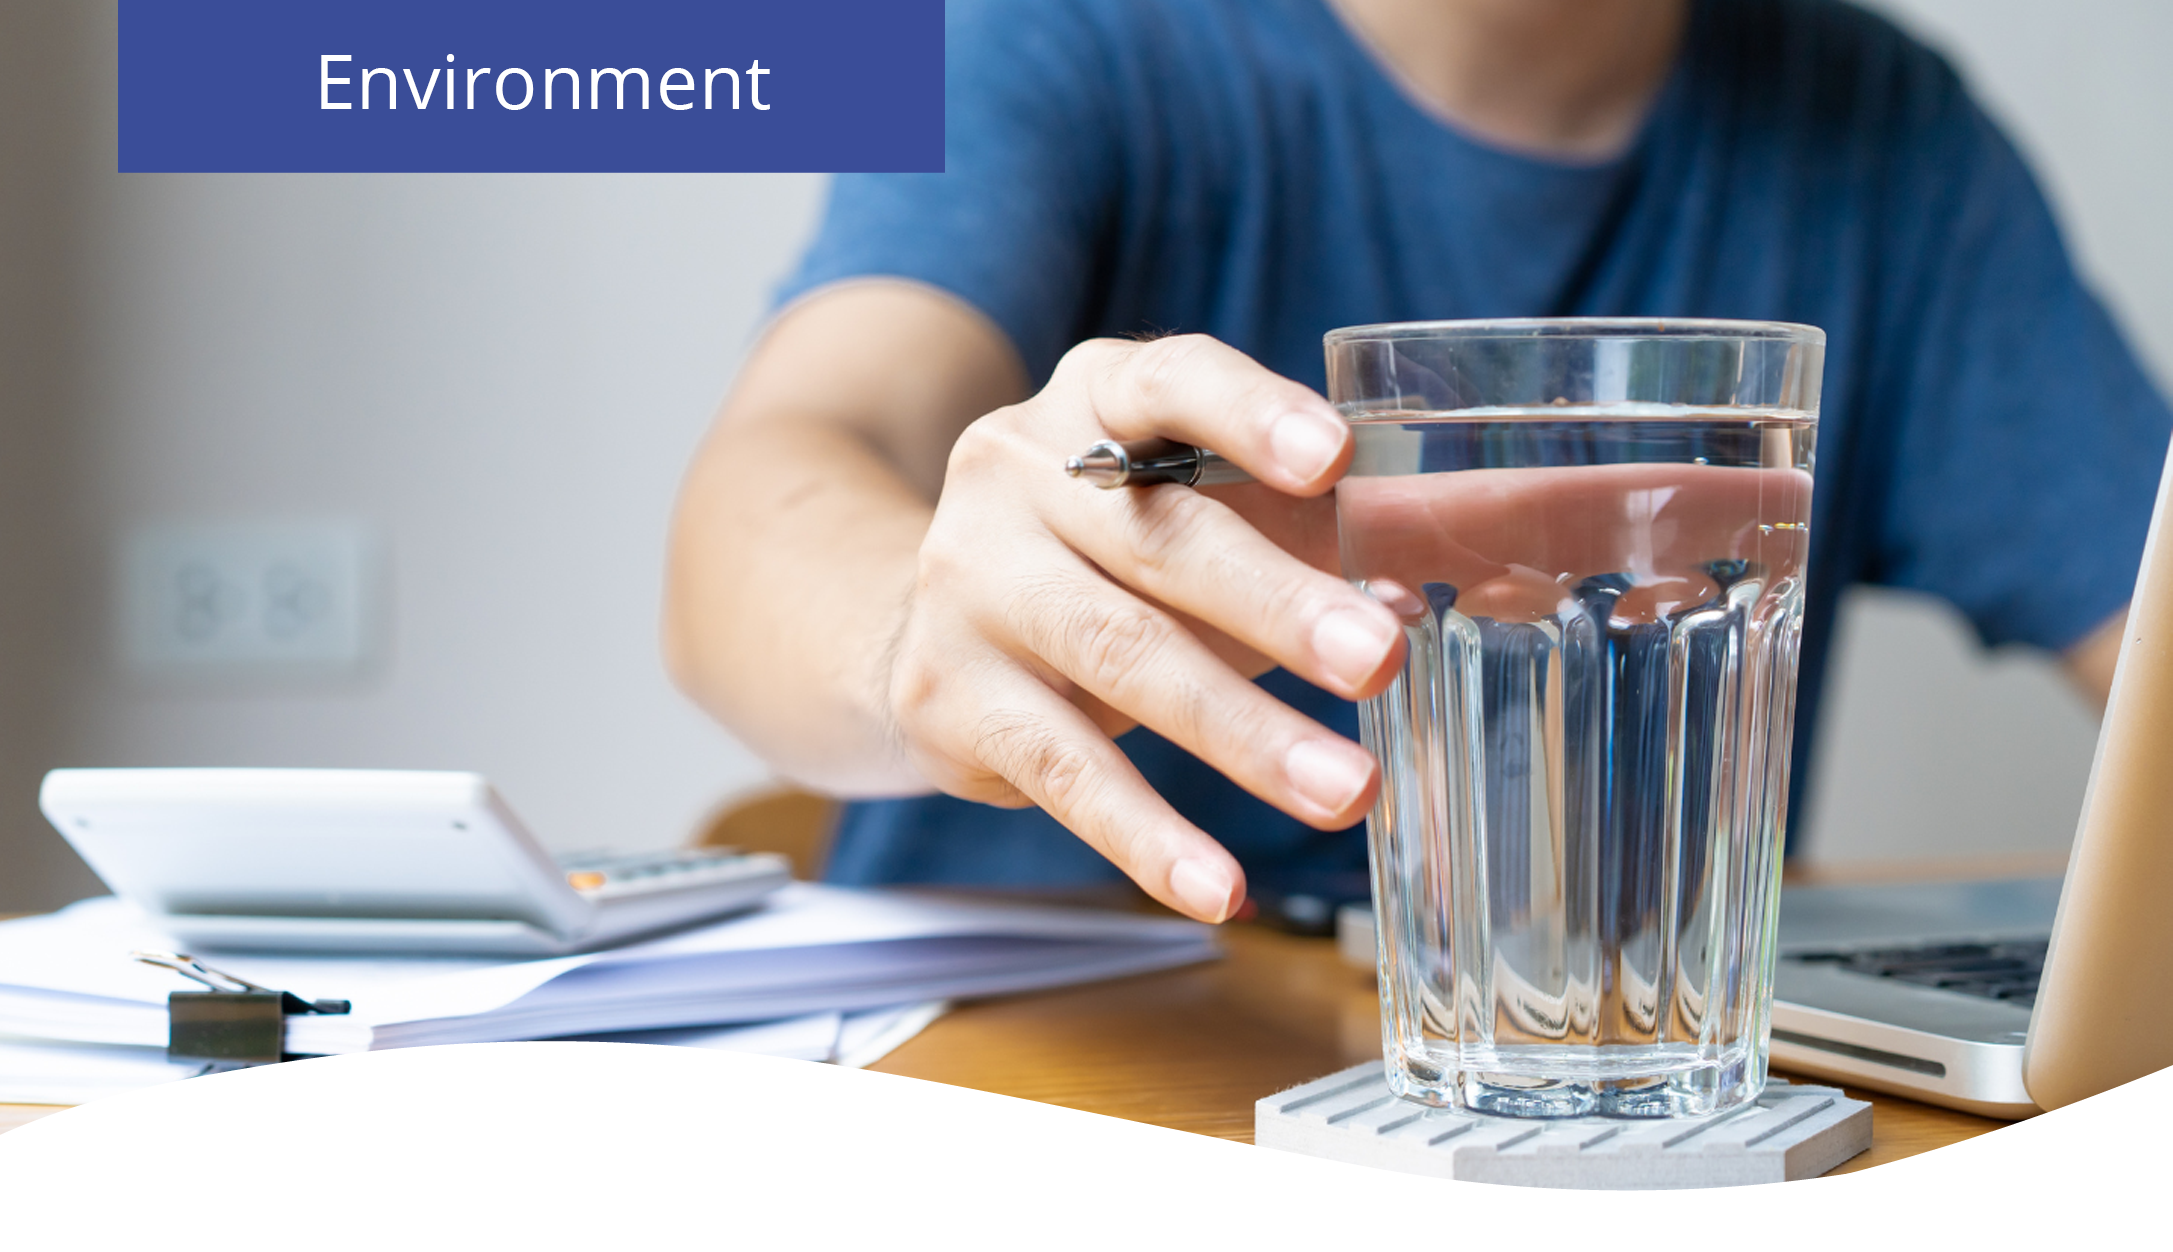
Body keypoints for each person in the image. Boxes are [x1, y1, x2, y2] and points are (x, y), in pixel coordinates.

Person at [664, 0, 2169, 923]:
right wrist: (910, 640)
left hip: (1602, 1118)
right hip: (1041, 1087)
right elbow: (771, 488)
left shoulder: (1883, 131)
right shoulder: (1059, 33)